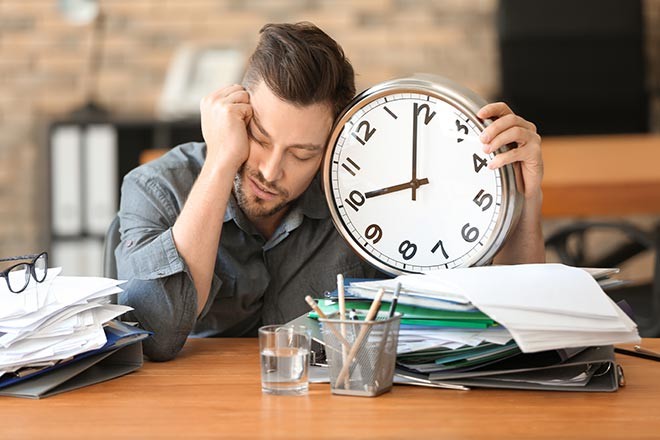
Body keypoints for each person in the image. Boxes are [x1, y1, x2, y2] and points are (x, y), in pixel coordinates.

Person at [116, 22, 545, 361]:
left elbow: (497, 317)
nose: (270, 170)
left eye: (302, 154)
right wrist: (220, 162)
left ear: (333, 147)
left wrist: (524, 198)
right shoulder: (156, 188)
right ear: (235, 113)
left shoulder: (363, 200)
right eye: (260, 138)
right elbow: (155, 335)